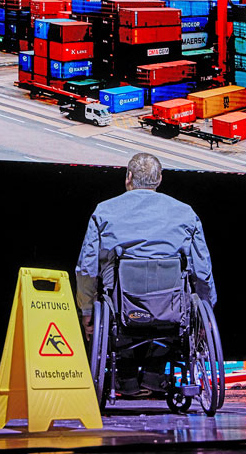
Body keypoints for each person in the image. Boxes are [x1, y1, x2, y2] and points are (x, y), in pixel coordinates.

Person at [75, 152, 217, 394]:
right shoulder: (185, 212)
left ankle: (128, 377)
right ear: (159, 179)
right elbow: (202, 270)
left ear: (128, 177)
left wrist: (87, 309)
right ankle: (154, 373)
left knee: (113, 302)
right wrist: (207, 308)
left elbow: (87, 267)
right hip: (172, 303)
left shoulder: (104, 211)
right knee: (180, 304)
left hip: (122, 302)